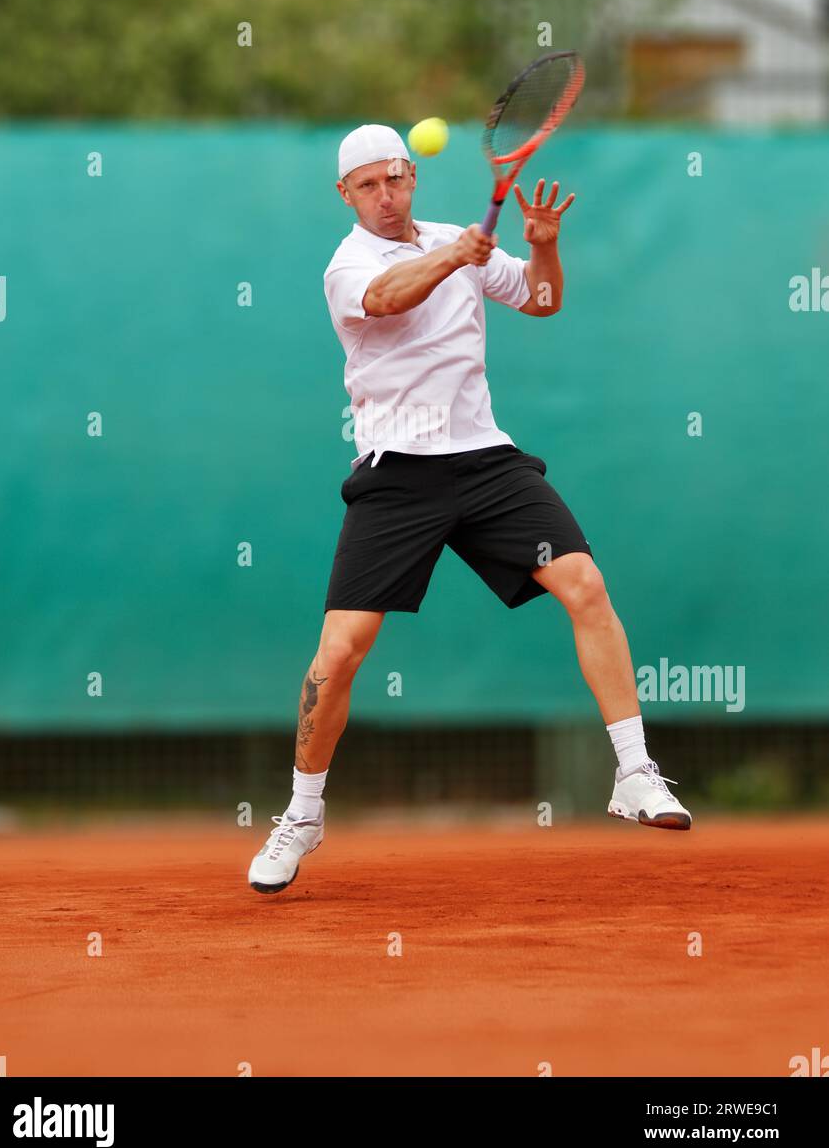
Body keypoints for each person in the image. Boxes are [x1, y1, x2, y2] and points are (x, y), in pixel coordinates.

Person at [248, 124, 691, 893]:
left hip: (486, 462)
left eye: (397, 179)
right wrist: (455, 256)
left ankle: (635, 772)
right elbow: (387, 299)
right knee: (341, 653)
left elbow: (543, 301)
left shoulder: (459, 237)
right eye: (369, 186)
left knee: (584, 587)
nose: (387, 196)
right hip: (397, 475)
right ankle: (303, 813)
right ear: (344, 194)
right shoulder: (350, 263)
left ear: (414, 176)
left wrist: (544, 245)